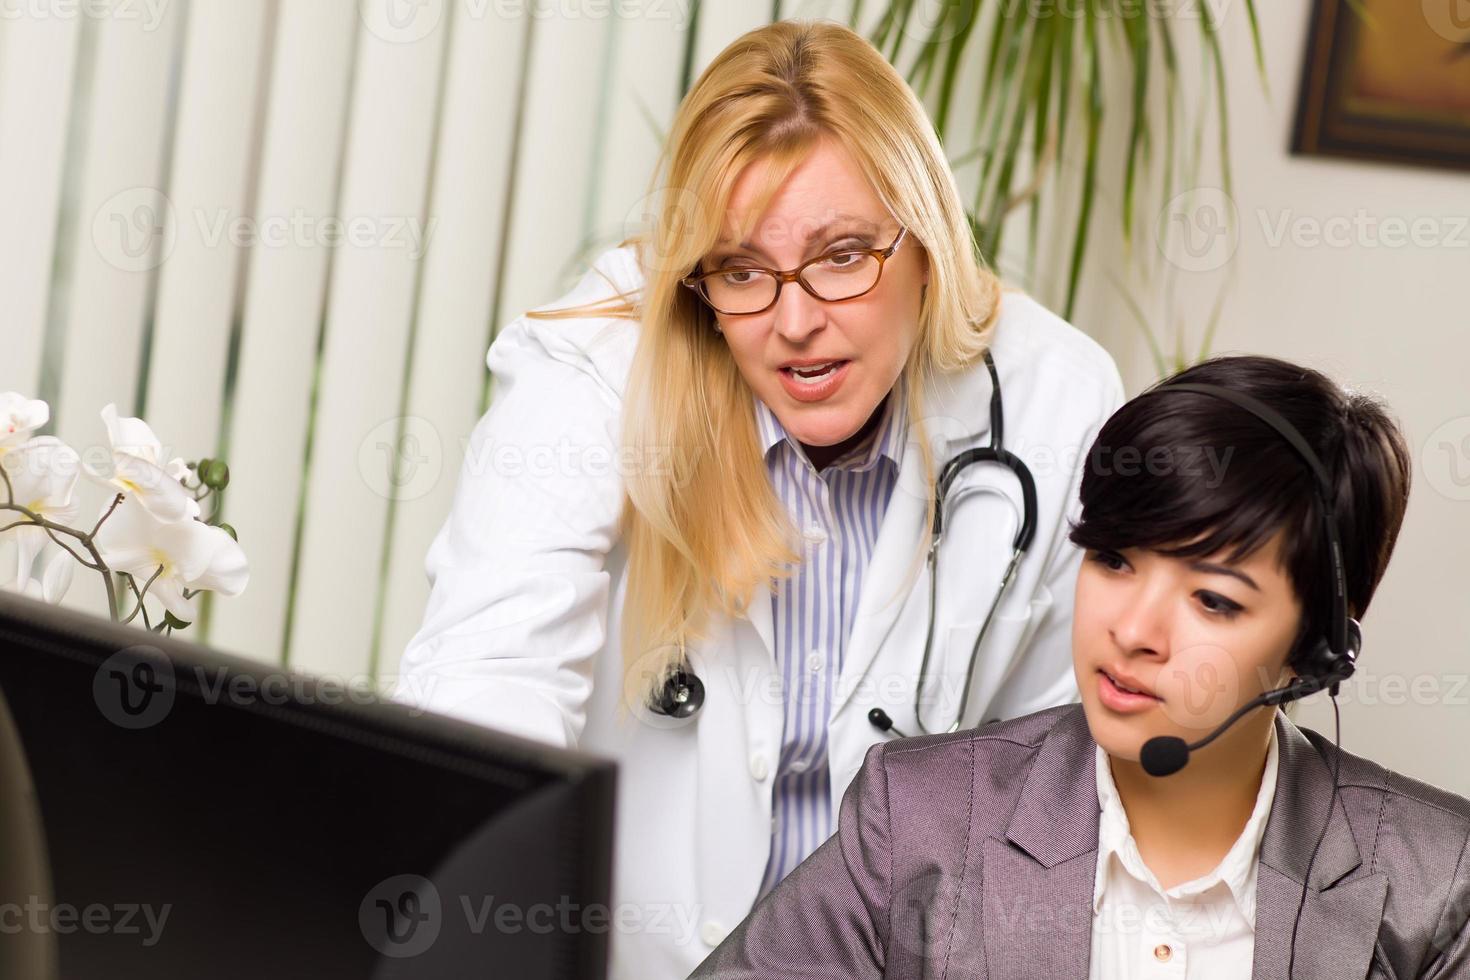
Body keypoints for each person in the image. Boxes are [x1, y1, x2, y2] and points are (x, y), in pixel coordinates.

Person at [394, 19, 1122, 980]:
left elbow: (1061, 794)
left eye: (843, 255)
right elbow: (487, 687)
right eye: (742, 269)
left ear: (927, 241)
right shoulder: (596, 365)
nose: (794, 320)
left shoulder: (1053, 402)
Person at [689, 355, 1470, 980]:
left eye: (1213, 601)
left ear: (1320, 648)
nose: (1131, 630)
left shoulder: (1437, 883)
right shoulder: (921, 818)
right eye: (1113, 559)